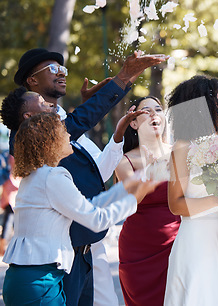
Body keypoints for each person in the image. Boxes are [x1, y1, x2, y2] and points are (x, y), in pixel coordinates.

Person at [2, 47, 163, 306]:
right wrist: (122, 78)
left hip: (83, 247)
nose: (62, 74)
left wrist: (133, 181)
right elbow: (96, 216)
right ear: (31, 81)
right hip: (53, 265)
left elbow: (95, 183)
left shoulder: (54, 163)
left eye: (63, 69)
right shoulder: (32, 142)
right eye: (53, 69)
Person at [164, 75, 218, 306]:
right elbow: (175, 204)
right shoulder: (182, 148)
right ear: (201, 107)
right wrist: (216, 200)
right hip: (198, 242)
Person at [114, 96, 181, 305]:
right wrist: (150, 172)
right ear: (133, 123)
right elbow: (132, 201)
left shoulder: (179, 152)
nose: (154, 114)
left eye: (158, 109)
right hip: (139, 250)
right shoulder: (124, 161)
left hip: (178, 243)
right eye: (146, 111)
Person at [0, 155, 20, 256]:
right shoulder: (13, 156)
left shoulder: (9, 156)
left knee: (9, 220)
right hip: (14, 190)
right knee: (12, 221)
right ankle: (4, 244)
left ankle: (3, 245)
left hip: (10, 190)